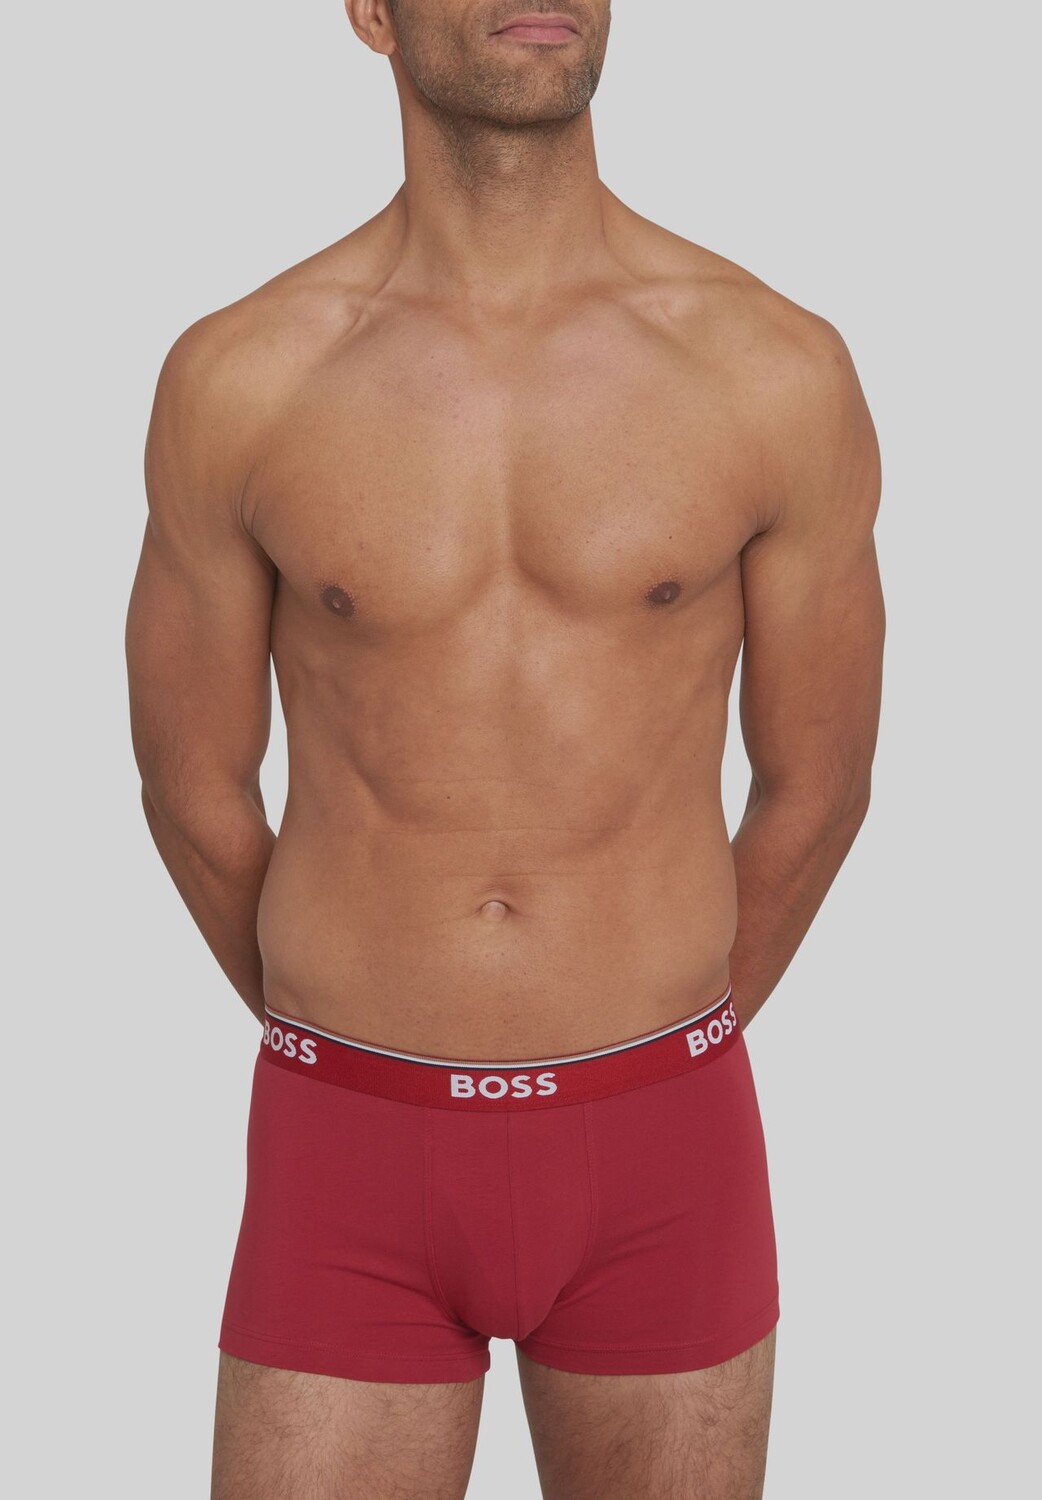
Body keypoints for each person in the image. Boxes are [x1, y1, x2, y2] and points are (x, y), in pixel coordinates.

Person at [125, 2, 884, 1495]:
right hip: (348, 1146)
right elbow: (192, 786)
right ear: (371, 12)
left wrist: (650, 1054)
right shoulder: (241, 377)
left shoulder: (772, 368)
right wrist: (352, 1029)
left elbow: (820, 783)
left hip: (664, 1146)